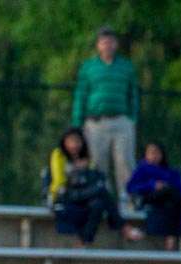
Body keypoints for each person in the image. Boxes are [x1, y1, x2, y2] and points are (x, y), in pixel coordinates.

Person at [71, 26, 139, 206]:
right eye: (103, 42)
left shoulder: (126, 66)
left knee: (125, 162)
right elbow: (81, 95)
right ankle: (103, 201)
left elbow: (133, 94)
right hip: (96, 123)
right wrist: (77, 123)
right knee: (98, 163)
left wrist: (132, 118)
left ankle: (128, 202)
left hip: (121, 120)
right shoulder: (89, 67)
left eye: (110, 42)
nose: (107, 45)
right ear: (98, 45)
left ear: (115, 44)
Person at [48, 127, 142, 246]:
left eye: (77, 141)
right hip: (64, 193)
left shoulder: (86, 157)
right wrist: (75, 170)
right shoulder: (59, 155)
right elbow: (59, 179)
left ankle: (85, 240)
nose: (74, 145)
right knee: (101, 192)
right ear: (64, 142)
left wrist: (86, 169)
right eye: (71, 141)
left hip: (84, 194)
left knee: (98, 204)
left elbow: (94, 178)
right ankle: (123, 226)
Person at [126, 142, 181, 250]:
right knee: (171, 192)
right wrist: (152, 185)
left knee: (173, 199)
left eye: (157, 153)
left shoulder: (170, 171)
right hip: (150, 198)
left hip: (169, 201)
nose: (154, 156)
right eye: (151, 153)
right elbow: (131, 187)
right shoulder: (142, 169)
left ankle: (171, 241)